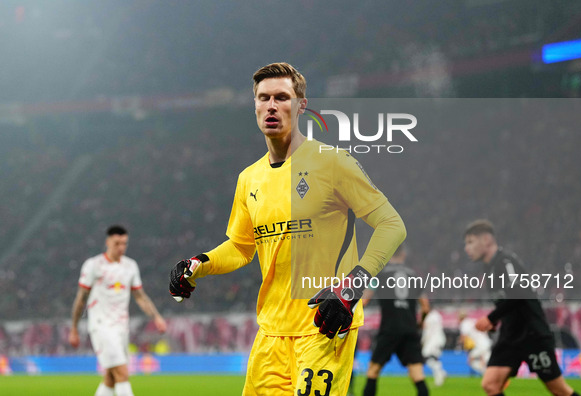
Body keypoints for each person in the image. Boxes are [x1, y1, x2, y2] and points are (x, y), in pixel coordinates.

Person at [169, 62, 406, 395]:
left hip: (324, 323)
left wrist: (352, 287)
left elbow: (392, 224)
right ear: (254, 106)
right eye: (263, 98)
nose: (271, 105)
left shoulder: (333, 162)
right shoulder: (249, 178)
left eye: (282, 97)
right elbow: (240, 247)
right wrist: (199, 264)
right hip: (271, 333)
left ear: (301, 106)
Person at [463, 219, 580, 396]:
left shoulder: (505, 262)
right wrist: (497, 320)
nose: (467, 248)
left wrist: (491, 317)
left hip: (532, 334)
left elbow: (518, 292)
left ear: (486, 240)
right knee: (490, 384)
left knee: (559, 390)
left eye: (470, 242)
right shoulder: (489, 268)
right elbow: (506, 301)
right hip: (510, 336)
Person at [69, 225, 167, 396]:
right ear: (108, 242)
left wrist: (156, 317)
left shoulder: (130, 266)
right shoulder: (93, 265)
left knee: (111, 378)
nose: (121, 247)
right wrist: (74, 328)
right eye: (117, 243)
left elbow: (140, 296)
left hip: (121, 327)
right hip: (101, 326)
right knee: (122, 372)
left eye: (124, 243)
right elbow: (81, 298)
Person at [362, 244, 430, 396]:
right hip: (410, 329)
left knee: (373, 371)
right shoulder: (413, 275)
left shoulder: (379, 274)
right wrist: (420, 322)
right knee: (417, 375)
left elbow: (365, 300)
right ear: (404, 254)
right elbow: (425, 307)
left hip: (389, 328)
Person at [458, 311, 492, 375]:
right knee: (486, 362)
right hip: (487, 343)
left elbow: (463, 337)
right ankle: (488, 374)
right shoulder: (472, 320)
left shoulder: (464, 323)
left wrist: (459, 345)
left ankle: (486, 373)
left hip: (481, 345)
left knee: (471, 360)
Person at [421, 308, 447, 386]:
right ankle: (441, 374)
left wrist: (423, 341)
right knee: (433, 358)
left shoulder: (428, 318)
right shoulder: (437, 315)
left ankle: (440, 376)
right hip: (440, 339)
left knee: (426, 356)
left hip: (433, 341)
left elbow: (427, 332)